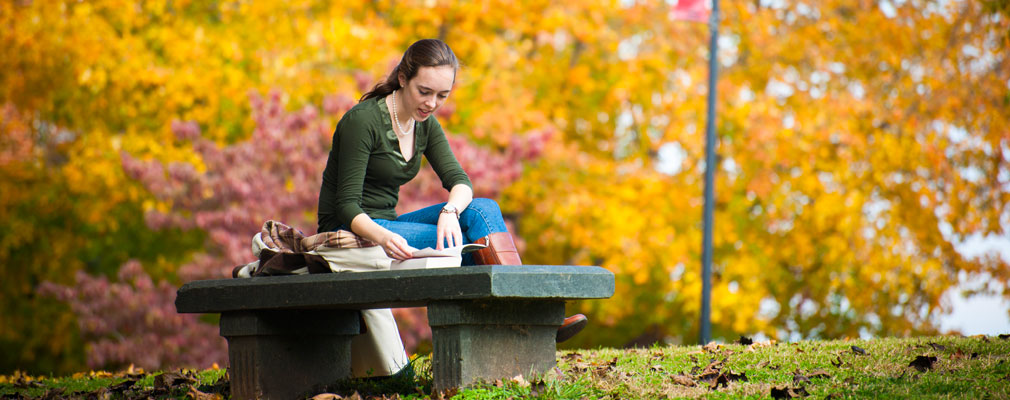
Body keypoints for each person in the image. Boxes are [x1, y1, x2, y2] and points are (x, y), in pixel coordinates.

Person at [317, 39, 586, 377]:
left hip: (389, 223)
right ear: (403, 78)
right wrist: (383, 237)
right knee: (466, 241)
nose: (431, 103)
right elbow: (345, 206)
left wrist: (450, 212)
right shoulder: (364, 121)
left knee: (481, 210)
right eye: (424, 91)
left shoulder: (424, 124)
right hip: (351, 230)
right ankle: (532, 321)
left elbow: (461, 182)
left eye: (442, 96)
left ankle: (529, 315)